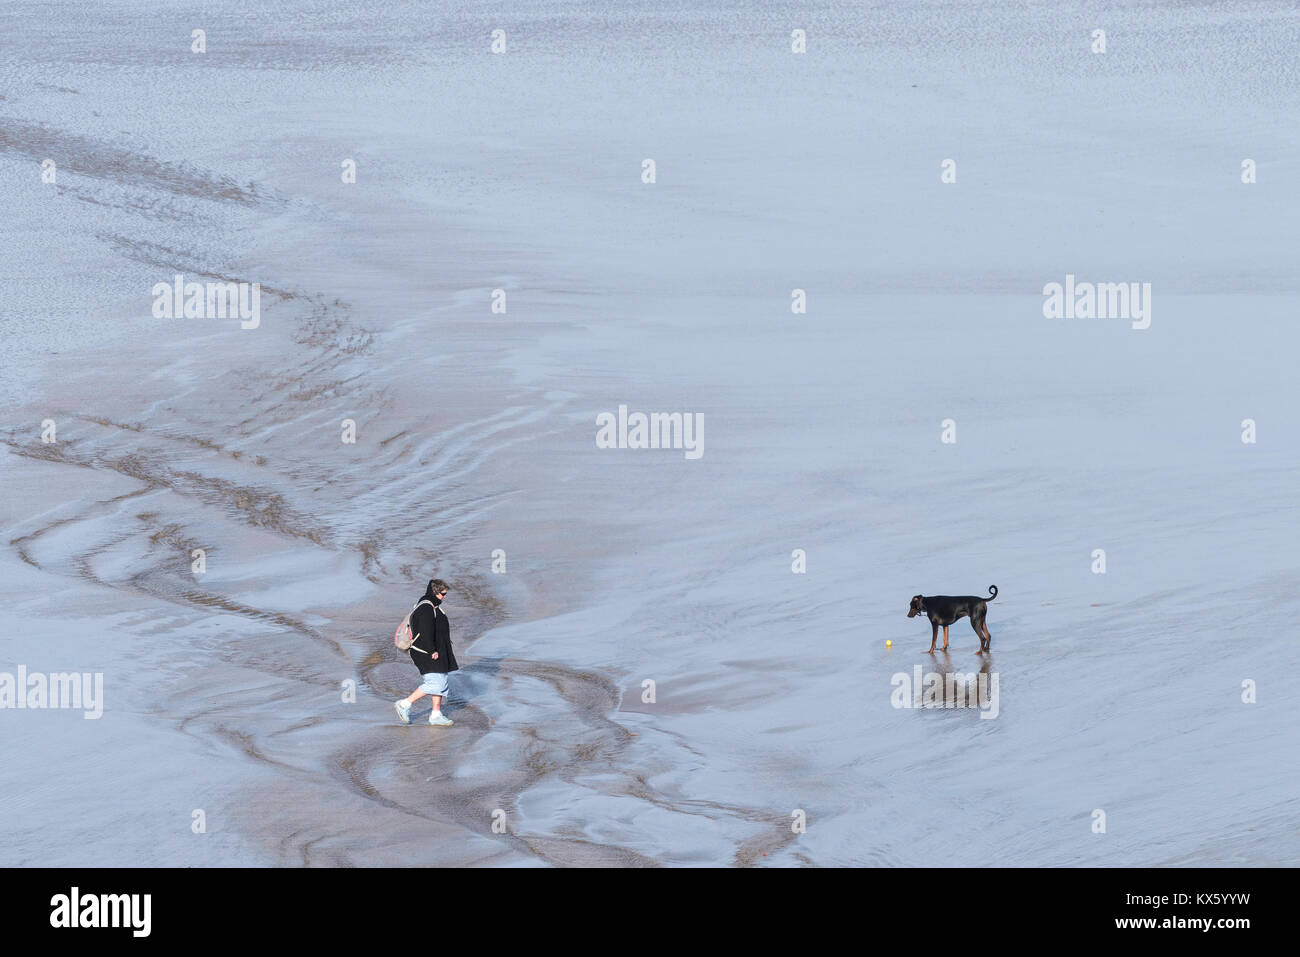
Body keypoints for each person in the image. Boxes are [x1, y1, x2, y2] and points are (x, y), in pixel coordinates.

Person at [394, 579, 459, 726]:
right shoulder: (426, 608)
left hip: (437, 650)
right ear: (435, 592)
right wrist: (432, 650)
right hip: (425, 651)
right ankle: (404, 704)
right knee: (434, 682)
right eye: (443, 594)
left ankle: (436, 715)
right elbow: (425, 632)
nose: (445, 596)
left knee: (441, 681)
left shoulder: (433, 606)